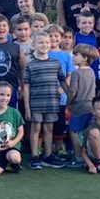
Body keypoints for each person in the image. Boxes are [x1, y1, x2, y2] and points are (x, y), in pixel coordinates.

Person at [22, 32, 70, 169]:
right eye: (41, 42)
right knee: (36, 128)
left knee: (49, 128)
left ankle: (48, 155)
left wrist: (70, 97)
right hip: (36, 102)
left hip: (52, 102)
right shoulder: (30, 64)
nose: (45, 45)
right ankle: (34, 156)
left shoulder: (56, 63)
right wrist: (27, 107)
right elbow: (26, 86)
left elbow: (63, 81)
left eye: (47, 42)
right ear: (33, 45)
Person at [65, 44, 99, 168]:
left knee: (73, 131)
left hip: (79, 107)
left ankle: (79, 157)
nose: (73, 57)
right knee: (86, 132)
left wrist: (68, 102)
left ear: (85, 58)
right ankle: (89, 155)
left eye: (76, 55)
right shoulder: (91, 72)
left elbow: (73, 91)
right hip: (91, 106)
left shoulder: (76, 73)